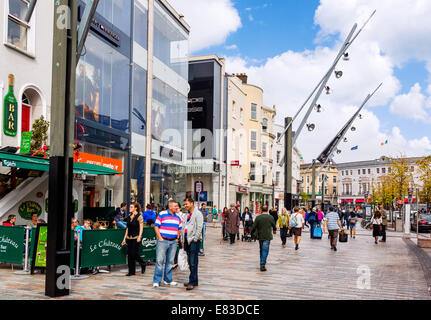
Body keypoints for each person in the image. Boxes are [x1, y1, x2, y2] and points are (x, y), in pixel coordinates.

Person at [152, 200, 182, 288]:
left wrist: (177, 238)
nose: (177, 208)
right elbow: (156, 226)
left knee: (170, 262)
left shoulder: (178, 217)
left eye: (177, 206)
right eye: (175, 206)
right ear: (170, 207)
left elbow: (179, 228)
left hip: (173, 242)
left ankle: (168, 279)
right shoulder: (162, 214)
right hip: (163, 241)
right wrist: (160, 238)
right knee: (159, 261)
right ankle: (157, 281)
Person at [182, 198, 204, 291]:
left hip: (194, 241)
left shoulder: (198, 214)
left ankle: (192, 282)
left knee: (193, 262)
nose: (185, 206)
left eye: (186, 204)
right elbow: (184, 227)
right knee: (190, 262)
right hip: (187, 240)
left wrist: (195, 239)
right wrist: (182, 239)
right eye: (184, 204)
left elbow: (199, 228)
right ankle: (194, 280)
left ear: (192, 203)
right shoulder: (187, 214)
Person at [121, 203, 146, 277]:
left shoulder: (139, 216)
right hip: (129, 238)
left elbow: (141, 228)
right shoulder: (129, 216)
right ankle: (131, 271)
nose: (130, 208)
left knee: (133, 253)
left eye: (131, 207)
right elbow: (127, 229)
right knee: (129, 255)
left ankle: (142, 263)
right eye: (130, 207)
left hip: (136, 237)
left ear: (135, 208)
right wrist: (124, 239)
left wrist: (139, 236)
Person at [250, 206, 277, 272]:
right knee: (265, 250)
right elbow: (274, 225)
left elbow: (254, 226)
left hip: (260, 235)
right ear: (267, 210)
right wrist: (274, 230)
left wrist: (251, 233)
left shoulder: (258, 217)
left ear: (261, 210)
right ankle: (262, 263)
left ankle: (262, 261)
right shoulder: (270, 217)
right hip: (267, 236)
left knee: (261, 249)